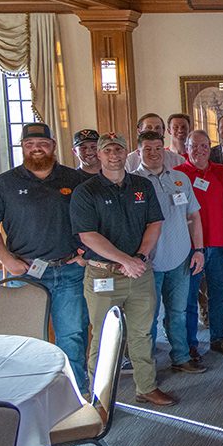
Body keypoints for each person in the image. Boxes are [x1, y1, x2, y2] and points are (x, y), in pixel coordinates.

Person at [0, 123, 91, 393]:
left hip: (69, 272)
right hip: (26, 273)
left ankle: (77, 394)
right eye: (30, 144)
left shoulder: (74, 180)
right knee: (27, 339)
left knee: (72, 335)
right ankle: (31, 395)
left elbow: (93, 220)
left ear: (53, 146)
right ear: (23, 148)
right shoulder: (4, 183)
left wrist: (83, 255)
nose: (36, 148)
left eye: (42, 143)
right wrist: (7, 260)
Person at [69, 133, 174, 406]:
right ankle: (98, 397)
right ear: (99, 156)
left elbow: (155, 224)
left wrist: (138, 257)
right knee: (103, 337)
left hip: (139, 272)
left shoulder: (142, 186)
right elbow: (88, 235)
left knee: (141, 333)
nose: (113, 155)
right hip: (104, 275)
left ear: (127, 154)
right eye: (107, 151)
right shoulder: (86, 191)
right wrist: (124, 261)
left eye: (118, 150)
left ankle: (146, 387)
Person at [134, 131, 207, 374]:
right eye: (148, 149)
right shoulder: (132, 182)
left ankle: (181, 357)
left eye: (157, 148)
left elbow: (194, 216)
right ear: (139, 152)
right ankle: (147, 366)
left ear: (164, 149)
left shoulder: (180, 179)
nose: (154, 154)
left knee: (178, 312)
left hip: (180, 257)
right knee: (148, 317)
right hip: (147, 263)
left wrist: (198, 250)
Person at [175, 130, 223, 356]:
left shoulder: (222, 172)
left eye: (204, 146)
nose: (199, 151)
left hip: (219, 244)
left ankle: (218, 338)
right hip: (188, 248)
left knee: (219, 294)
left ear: (210, 148)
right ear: (186, 148)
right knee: (189, 297)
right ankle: (191, 343)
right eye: (194, 146)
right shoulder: (177, 174)